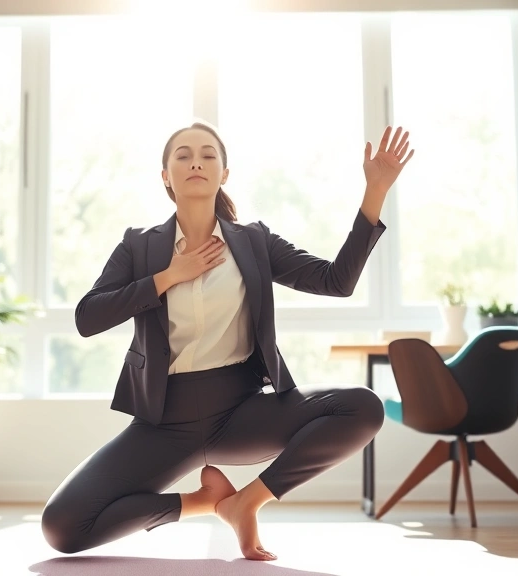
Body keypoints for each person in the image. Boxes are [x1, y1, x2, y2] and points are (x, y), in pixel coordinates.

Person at [42, 121, 415, 561]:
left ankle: (248, 500)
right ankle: (205, 502)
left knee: (364, 406)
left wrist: (375, 191)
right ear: (165, 175)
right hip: (164, 421)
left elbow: (337, 281)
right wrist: (168, 277)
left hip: (241, 413)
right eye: (182, 155)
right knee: (63, 527)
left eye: (207, 154)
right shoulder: (138, 247)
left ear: (224, 172)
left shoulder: (253, 241)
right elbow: (88, 317)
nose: (195, 161)